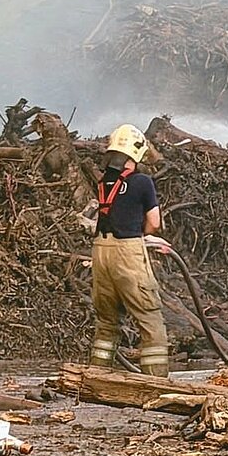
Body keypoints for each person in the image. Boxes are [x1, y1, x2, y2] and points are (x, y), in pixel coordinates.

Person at [90, 124, 170, 377]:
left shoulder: (104, 182)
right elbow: (154, 222)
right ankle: (156, 382)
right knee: (149, 315)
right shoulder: (142, 182)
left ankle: (96, 376)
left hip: (100, 251)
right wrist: (146, 237)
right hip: (127, 253)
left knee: (106, 320)